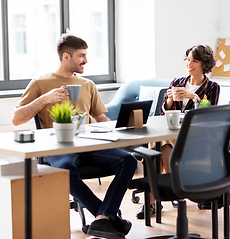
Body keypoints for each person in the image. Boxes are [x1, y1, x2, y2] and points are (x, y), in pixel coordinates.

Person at [12, 34, 137, 238]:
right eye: (81, 55)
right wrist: (45, 99)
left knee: (128, 161)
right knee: (64, 168)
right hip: (58, 148)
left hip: (91, 145)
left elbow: (100, 117)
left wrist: (124, 130)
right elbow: (17, 118)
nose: (85, 60)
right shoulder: (40, 83)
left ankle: (103, 218)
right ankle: (106, 217)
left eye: (86, 55)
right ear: (66, 56)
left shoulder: (87, 85)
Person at [135, 44, 230, 219]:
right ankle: (170, 189)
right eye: (188, 60)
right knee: (160, 143)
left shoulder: (212, 87)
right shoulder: (177, 82)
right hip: (173, 132)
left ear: (204, 64)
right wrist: (169, 100)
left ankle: (156, 199)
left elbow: (210, 115)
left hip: (196, 136)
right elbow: (164, 113)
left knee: (159, 145)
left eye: (195, 61)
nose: (189, 64)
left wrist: (195, 97)